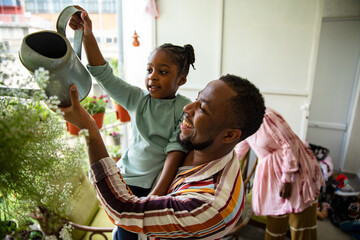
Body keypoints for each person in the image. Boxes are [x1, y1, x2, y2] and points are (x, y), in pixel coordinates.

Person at [60, 74, 266, 240]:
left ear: (230, 135)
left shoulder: (209, 205)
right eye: (196, 99)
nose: (187, 108)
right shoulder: (202, 145)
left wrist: (89, 129)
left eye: (202, 108)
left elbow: (123, 210)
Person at [69, 9, 197, 239]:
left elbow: (175, 152)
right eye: (149, 70)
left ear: (182, 79)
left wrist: (155, 197)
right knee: (124, 234)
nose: (153, 76)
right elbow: (103, 74)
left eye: (163, 71)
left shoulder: (184, 108)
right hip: (127, 181)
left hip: (157, 186)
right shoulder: (137, 99)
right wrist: (87, 35)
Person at [235, 108, 325, 240]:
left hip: (294, 176)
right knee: (275, 227)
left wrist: (287, 179)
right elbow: (239, 151)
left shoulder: (268, 117)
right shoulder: (242, 123)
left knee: (301, 226)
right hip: (271, 179)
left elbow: (291, 144)